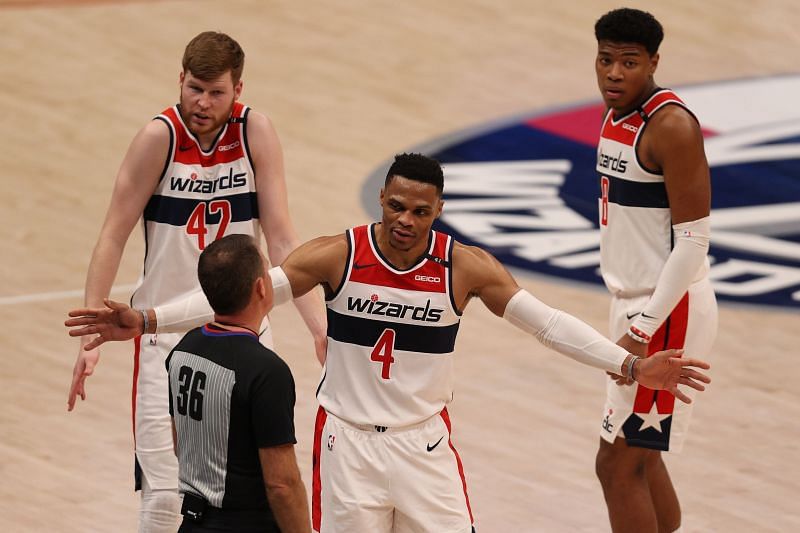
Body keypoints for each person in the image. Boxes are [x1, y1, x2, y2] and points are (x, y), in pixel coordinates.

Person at [67, 153, 711, 533]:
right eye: (397, 206)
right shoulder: (338, 254)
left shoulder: (465, 266)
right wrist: (147, 321)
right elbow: (243, 292)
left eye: (420, 211)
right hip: (345, 444)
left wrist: (629, 363)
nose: (405, 221)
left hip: (423, 445)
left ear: (438, 211)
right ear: (383, 197)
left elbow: (546, 323)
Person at [66, 31, 326, 532]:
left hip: (245, 330)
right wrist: (91, 332)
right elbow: (113, 233)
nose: (202, 103)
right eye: (194, 89)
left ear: (239, 90)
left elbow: (281, 237)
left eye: (216, 92)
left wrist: (317, 326)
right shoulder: (157, 138)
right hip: (163, 334)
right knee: (165, 499)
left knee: (256, 485)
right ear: (179, 80)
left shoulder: (256, 132)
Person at [592, 8, 718, 533]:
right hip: (639, 303)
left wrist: (643, 329)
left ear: (654, 63)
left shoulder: (672, 126)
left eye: (629, 62)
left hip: (666, 310)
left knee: (617, 466)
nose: (615, 73)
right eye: (605, 60)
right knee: (642, 458)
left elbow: (693, 242)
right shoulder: (617, 113)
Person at [168, 234, 310, 532]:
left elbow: (180, 444)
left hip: (192, 523)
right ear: (261, 287)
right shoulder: (266, 371)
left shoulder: (182, 351)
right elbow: (282, 484)